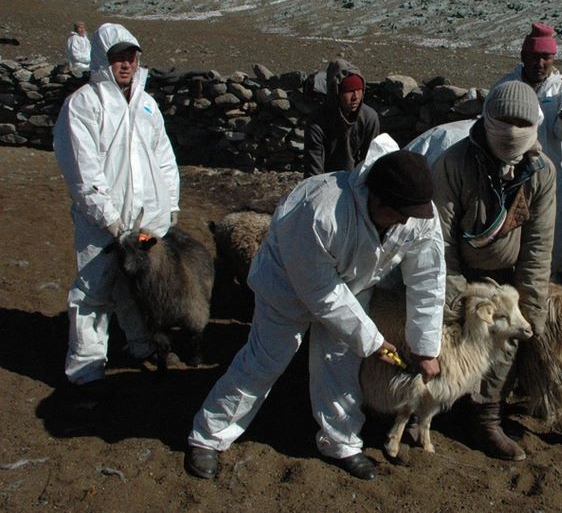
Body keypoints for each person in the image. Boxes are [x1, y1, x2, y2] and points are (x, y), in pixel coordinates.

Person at [185, 140, 446, 481]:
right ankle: (209, 436)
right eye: (398, 214)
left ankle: (341, 443)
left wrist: (426, 347)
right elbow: (322, 293)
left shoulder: (415, 213)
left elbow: (428, 278)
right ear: (377, 197)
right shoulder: (320, 209)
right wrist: (372, 341)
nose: (403, 222)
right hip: (288, 288)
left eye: (408, 215)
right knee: (264, 361)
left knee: (340, 366)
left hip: (353, 288)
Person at [432, 80, 555, 462]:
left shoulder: (540, 172)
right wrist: (456, 301)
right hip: (460, 274)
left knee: (504, 343)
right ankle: (442, 405)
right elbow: (440, 240)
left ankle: (486, 417)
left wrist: (529, 308)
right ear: (486, 120)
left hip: (507, 278)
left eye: (523, 123)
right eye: (503, 121)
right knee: (451, 342)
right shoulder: (454, 164)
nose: (512, 131)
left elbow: (538, 245)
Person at [53, 23, 180, 387]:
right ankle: (86, 370)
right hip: (103, 225)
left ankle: (142, 345)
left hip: (146, 224)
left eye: (130, 56)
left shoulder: (147, 105)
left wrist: (169, 205)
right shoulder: (83, 106)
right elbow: (83, 171)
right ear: (101, 60)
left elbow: (164, 158)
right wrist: (109, 220)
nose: (125, 64)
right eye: (117, 57)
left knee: (137, 285)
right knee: (94, 291)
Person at [493, 21, 562, 278]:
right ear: (523, 57)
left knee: (548, 236)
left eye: (546, 58)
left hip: (548, 177)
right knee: (510, 233)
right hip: (510, 176)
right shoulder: (506, 87)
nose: (540, 63)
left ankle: (546, 288)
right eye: (535, 57)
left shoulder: (560, 90)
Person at [303, 58, 380, 175]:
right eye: (349, 91)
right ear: (336, 92)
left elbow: (370, 162)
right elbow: (313, 169)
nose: (356, 97)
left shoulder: (369, 118)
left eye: (359, 90)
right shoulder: (317, 122)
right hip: (324, 181)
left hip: (357, 180)